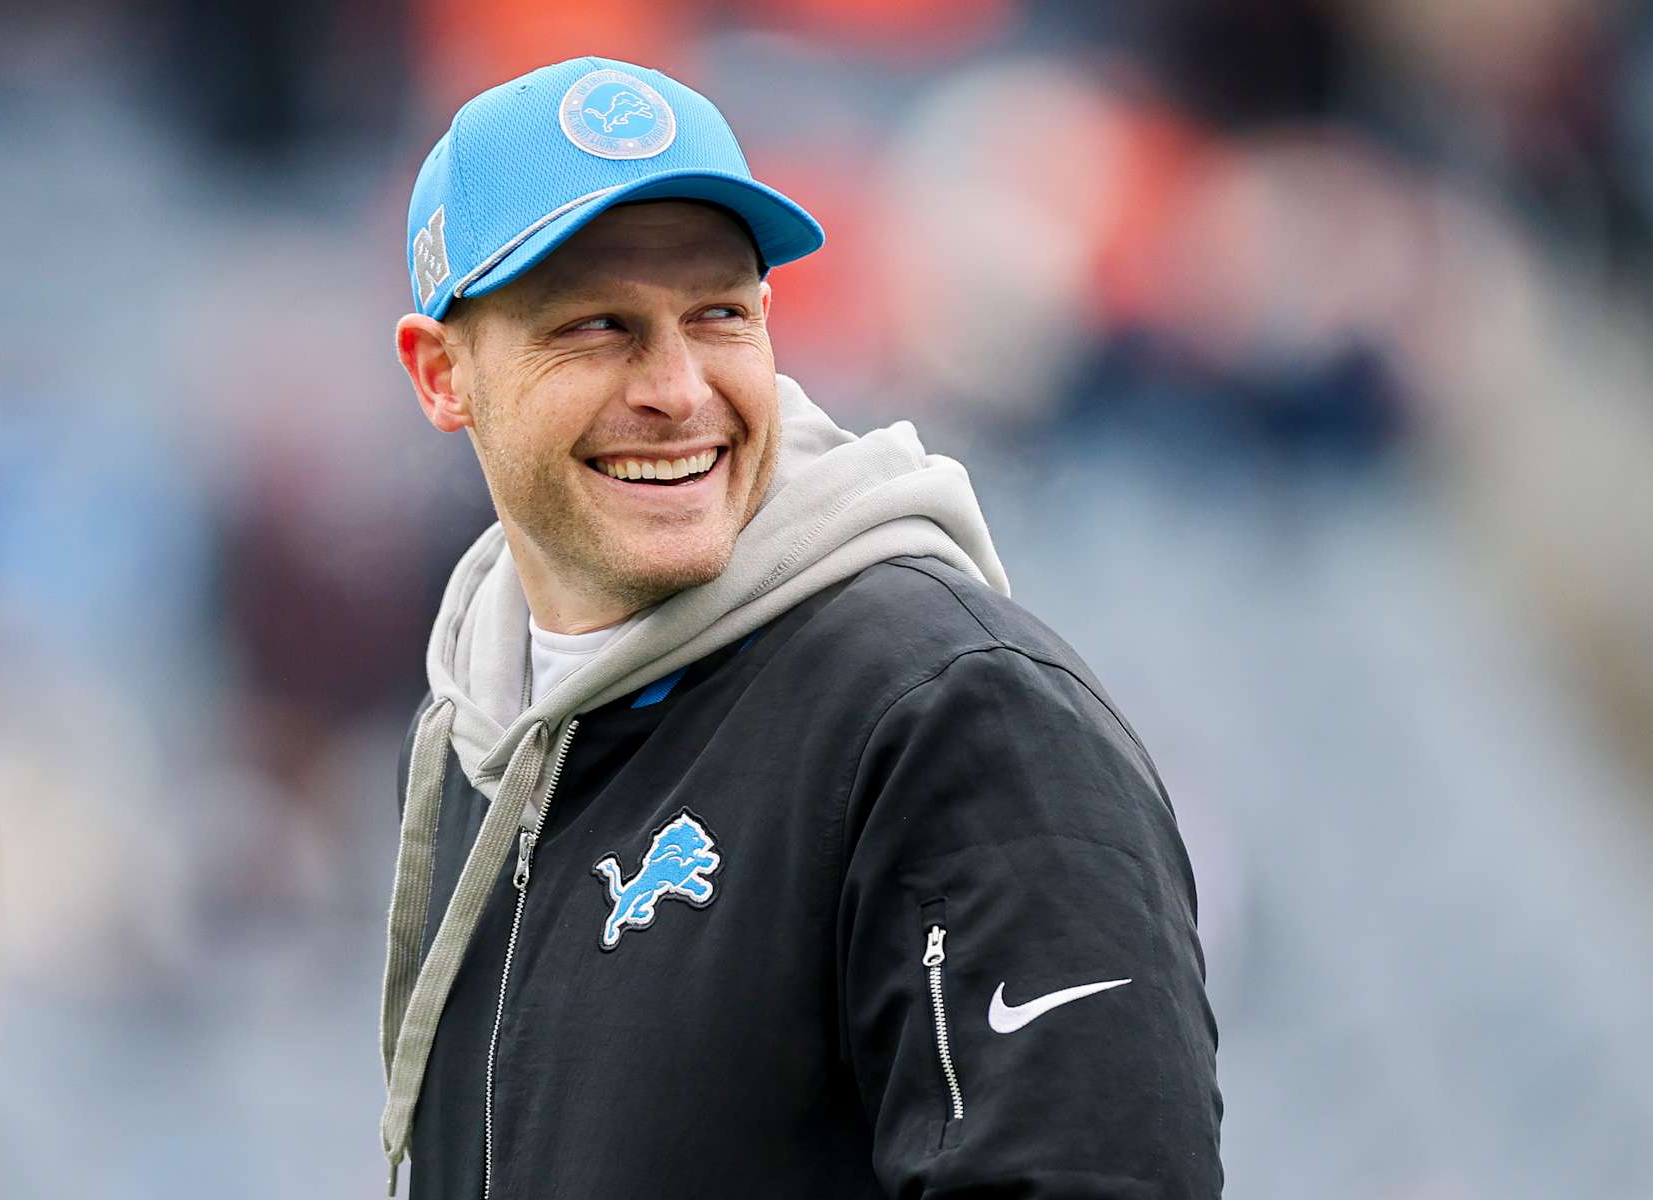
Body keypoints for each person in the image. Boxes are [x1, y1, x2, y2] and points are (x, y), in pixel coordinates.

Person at [379, 54, 1223, 1198]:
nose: (680, 389)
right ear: (442, 374)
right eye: (598, 327)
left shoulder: (952, 712)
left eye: (718, 315)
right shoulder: (472, 737)